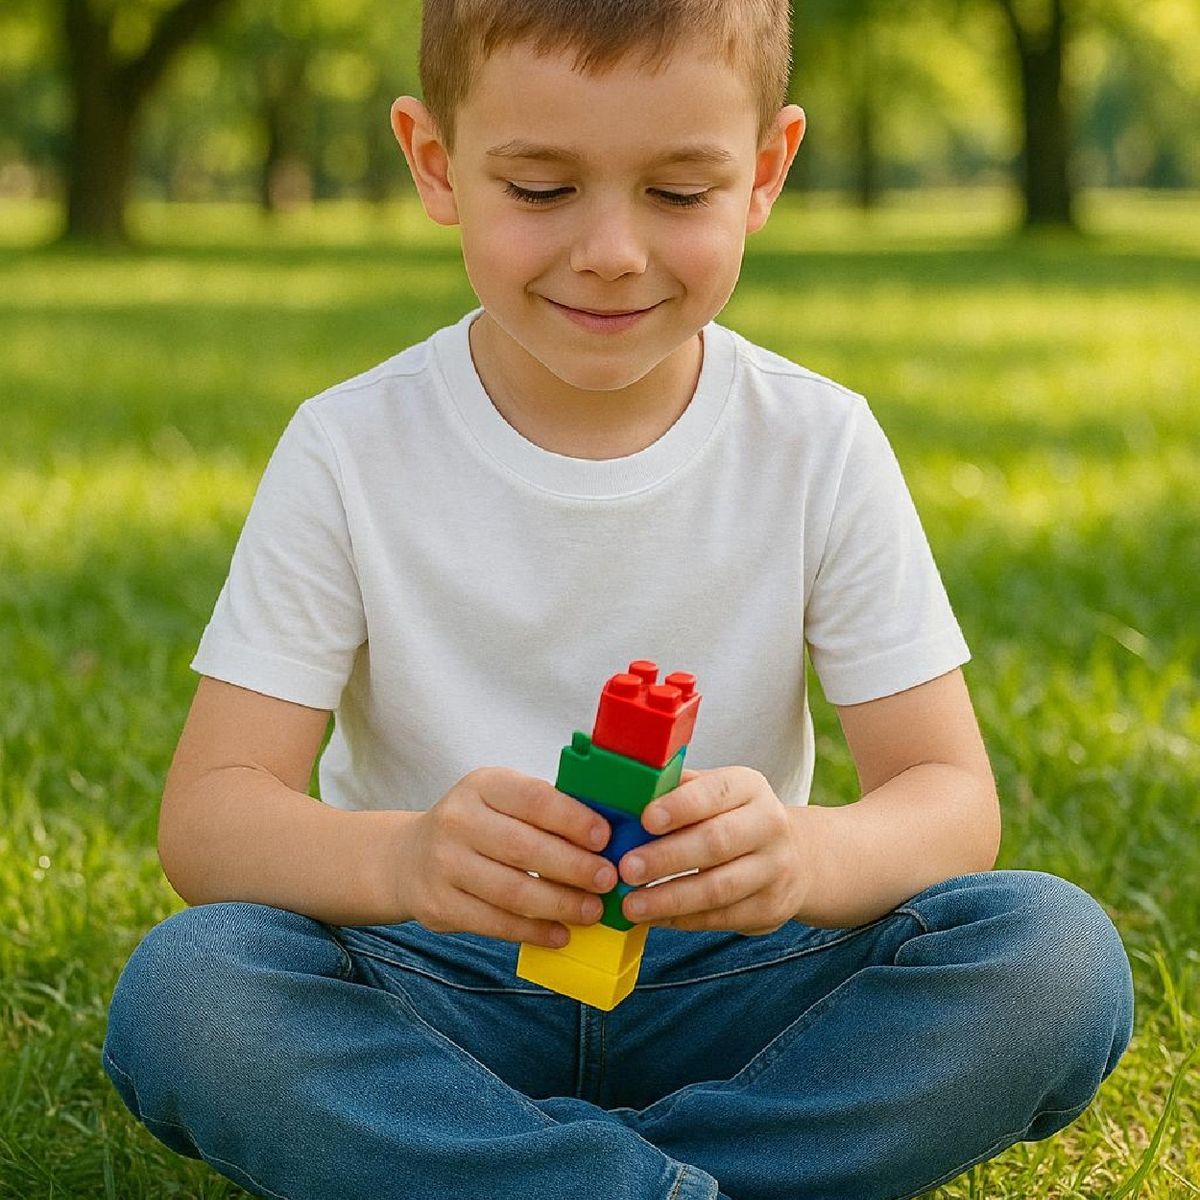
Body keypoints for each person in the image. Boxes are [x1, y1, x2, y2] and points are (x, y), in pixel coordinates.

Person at [101, 2, 1135, 1198]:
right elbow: (213, 817)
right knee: (196, 992)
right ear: (435, 163)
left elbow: (951, 802)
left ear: (765, 170)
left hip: (734, 981)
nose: (610, 250)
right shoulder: (351, 447)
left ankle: (546, 1180)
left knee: (1054, 958)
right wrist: (407, 864)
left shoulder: (816, 441)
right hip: (439, 983)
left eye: (679, 193)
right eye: (540, 189)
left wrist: (799, 856)